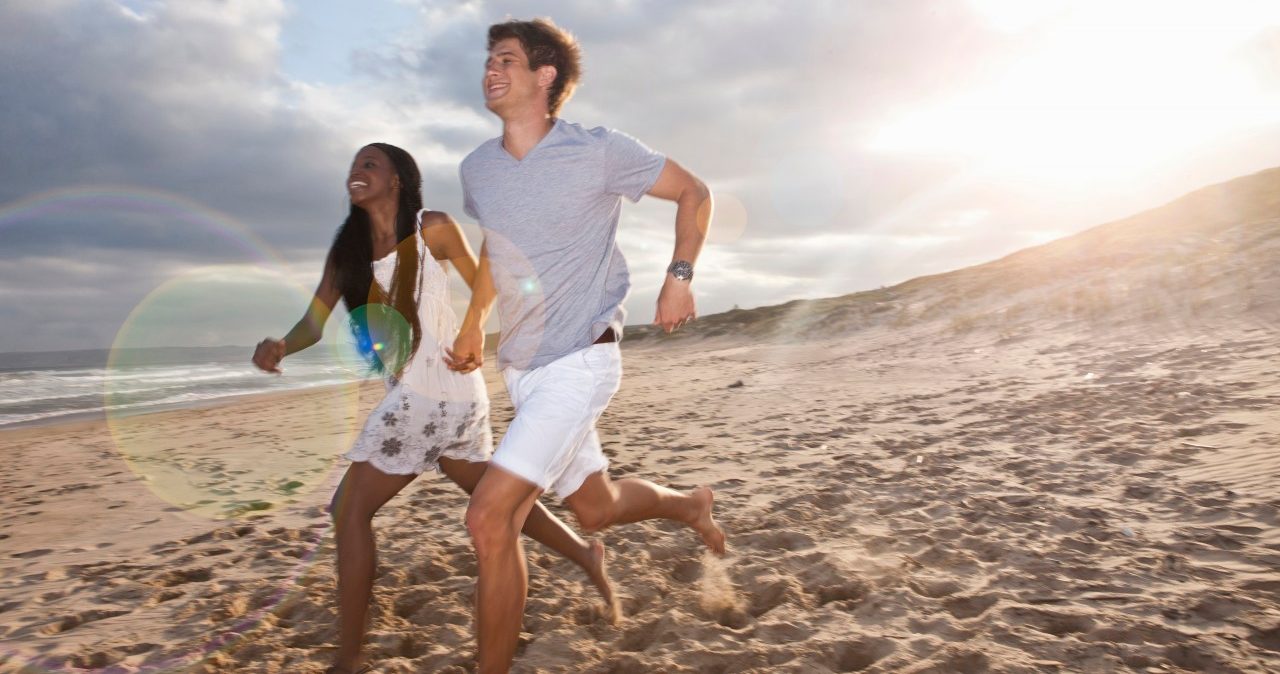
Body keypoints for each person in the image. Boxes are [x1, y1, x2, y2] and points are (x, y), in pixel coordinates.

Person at [251, 143, 614, 674]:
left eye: (370, 164)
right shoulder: (346, 254)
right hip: (441, 398)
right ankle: (586, 555)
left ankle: (348, 658)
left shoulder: (432, 228)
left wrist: (475, 333)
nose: (358, 171)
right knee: (496, 496)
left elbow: (487, 284)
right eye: (354, 165)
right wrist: (282, 345)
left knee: (348, 511)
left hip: (436, 387)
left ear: (398, 179)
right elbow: (313, 322)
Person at [445, 19, 726, 673]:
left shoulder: (597, 150)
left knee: (490, 520)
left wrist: (679, 279)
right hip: (523, 370)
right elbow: (496, 247)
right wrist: (472, 322)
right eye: (489, 60)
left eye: (506, 60)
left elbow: (694, 191)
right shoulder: (477, 169)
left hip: (583, 359)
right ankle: (689, 505)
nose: (491, 69)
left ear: (546, 77)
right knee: (594, 511)